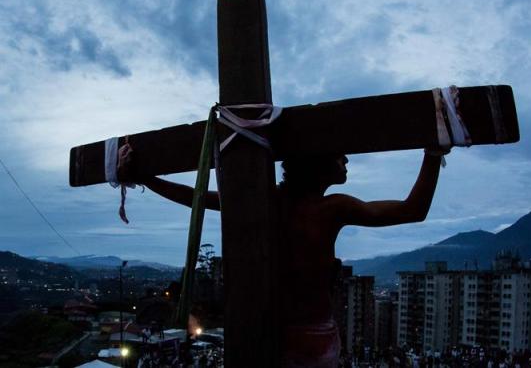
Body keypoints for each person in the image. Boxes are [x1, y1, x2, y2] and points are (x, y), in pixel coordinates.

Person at [119, 147, 445, 367]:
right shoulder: (332, 208)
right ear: (317, 163)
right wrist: (432, 155)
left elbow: (197, 198)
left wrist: (146, 178)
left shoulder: (269, 201)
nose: (346, 160)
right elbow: (413, 210)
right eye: (338, 155)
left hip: (266, 336)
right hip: (312, 336)